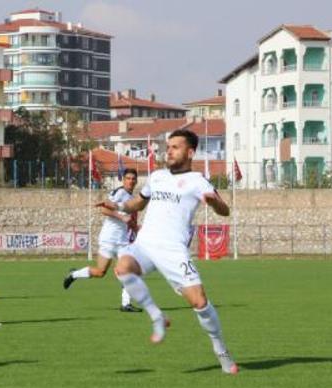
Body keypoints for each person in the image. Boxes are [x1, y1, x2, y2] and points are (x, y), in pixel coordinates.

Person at [114, 129, 238, 374]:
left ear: (190, 152)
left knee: (200, 302)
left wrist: (214, 203)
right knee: (122, 268)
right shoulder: (157, 176)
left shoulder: (198, 181)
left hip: (173, 251)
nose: (168, 151)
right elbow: (138, 203)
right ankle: (157, 316)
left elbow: (225, 210)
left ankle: (220, 349)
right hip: (145, 244)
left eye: (175, 147)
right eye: (168, 147)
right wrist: (116, 205)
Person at [63, 168, 142, 312]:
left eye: (133, 179)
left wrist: (135, 228)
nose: (131, 181)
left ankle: (126, 304)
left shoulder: (132, 198)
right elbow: (104, 210)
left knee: (128, 269)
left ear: (136, 181)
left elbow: (128, 218)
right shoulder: (119, 192)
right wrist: (122, 217)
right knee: (100, 272)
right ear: (123, 180)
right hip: (109, 238)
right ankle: (73, 274)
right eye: (128, 178)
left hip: (122, 241)